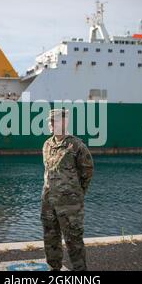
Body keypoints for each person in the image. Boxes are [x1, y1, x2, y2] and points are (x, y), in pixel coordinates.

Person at [41, 108, 94, 271]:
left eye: (55, 120)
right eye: (50, 121)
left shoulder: (76, 145)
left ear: (64, 122)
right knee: (50, 239)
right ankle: (53, 270)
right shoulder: (47, 145)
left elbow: (87, 171)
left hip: (70, 204)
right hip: (48, 202)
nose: (51, 124)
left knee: (74, 242)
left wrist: (76, 194)